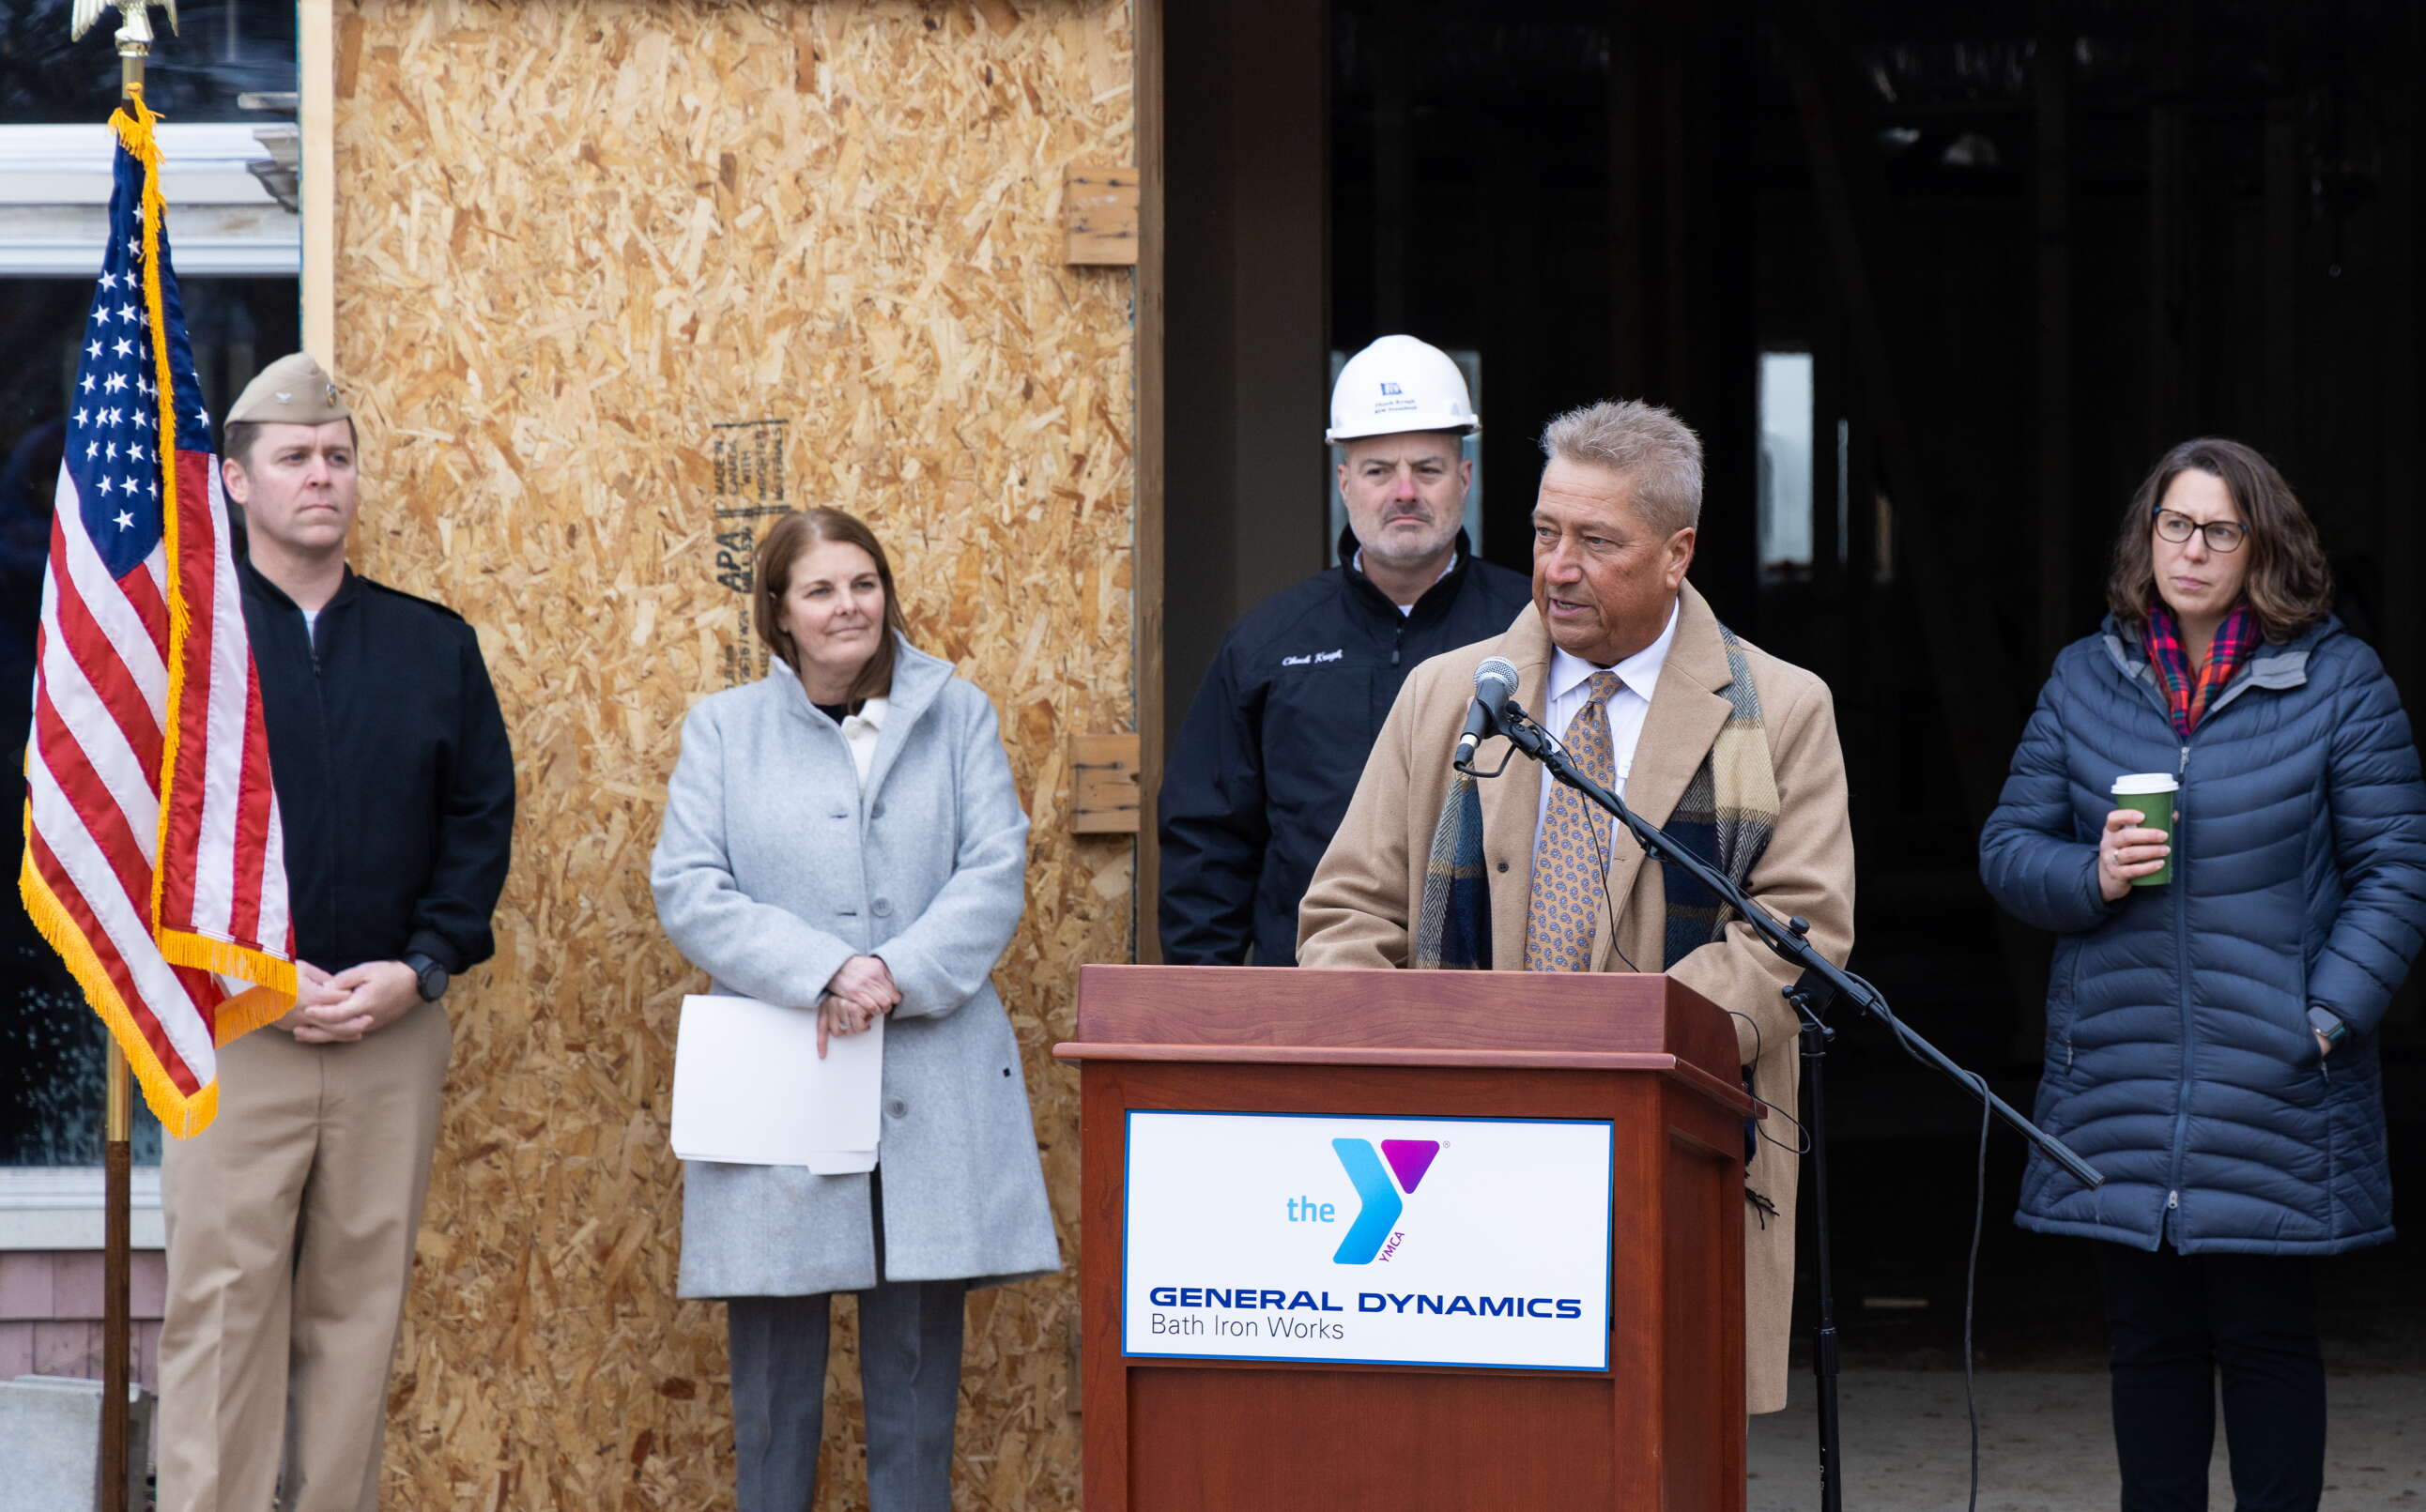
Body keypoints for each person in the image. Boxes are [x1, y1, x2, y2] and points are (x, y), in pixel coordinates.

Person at [1297, 398, 1854, 1415]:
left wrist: (1619, 1052)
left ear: (1676, 552)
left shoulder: (1779, 709)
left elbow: (1795, 934)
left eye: (1597, 542)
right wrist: (1401, 1060)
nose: (1557, 567)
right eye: (1546, 533)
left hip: (1673, 1148)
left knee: (1653, 1438)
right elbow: (1346, 915)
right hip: (1453, 1157)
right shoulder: (1449, 693)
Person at [1979, 437, 2426, 1511]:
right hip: (2121, 1073)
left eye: (2219, 531)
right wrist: (2088, 873)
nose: (2191, 549)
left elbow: (2395, 869)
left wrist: (2322, 1015)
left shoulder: (2337, 682)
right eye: (2173, 525)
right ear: (2146, 538)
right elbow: (2005, 849)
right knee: (2147, 1344)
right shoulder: (2086, 679)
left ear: (2260, 546)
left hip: (2272, 1071)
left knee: (2266, 1340)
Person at [157, 354, 515, 1512]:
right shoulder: (180, 649)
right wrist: (248, 976)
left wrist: (423, 966)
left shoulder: (431, 647)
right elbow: (130, 841)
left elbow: (478, 821)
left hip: (387, 1033)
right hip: (225, 1033)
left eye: (340, 458)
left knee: (358, 1323)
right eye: (297, 459)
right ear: (237, 484)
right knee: (220, 1321)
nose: (324, 477)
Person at [651, 508, 1060, 1512]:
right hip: (782, 1078)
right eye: (821, 589)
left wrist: (893, 971)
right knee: (774, 1388)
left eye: (864, 582)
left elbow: (992, 870)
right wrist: (827, 968)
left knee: (918, 1377)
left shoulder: (957, 713)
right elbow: (690, 885)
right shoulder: (723, 730)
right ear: (779, 614)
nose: (848, 606)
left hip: (933, 1075)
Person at [1158, 334, 1532, 965]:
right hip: (1313, 996)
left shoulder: (1532, 630)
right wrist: (1217, 1020)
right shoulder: (1267, 645)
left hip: (1494, 997)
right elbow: (1207, 848)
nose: (1405, 491)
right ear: (1344, 482)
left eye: (1428, 468)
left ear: (1464, 477)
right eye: (1379, 470)